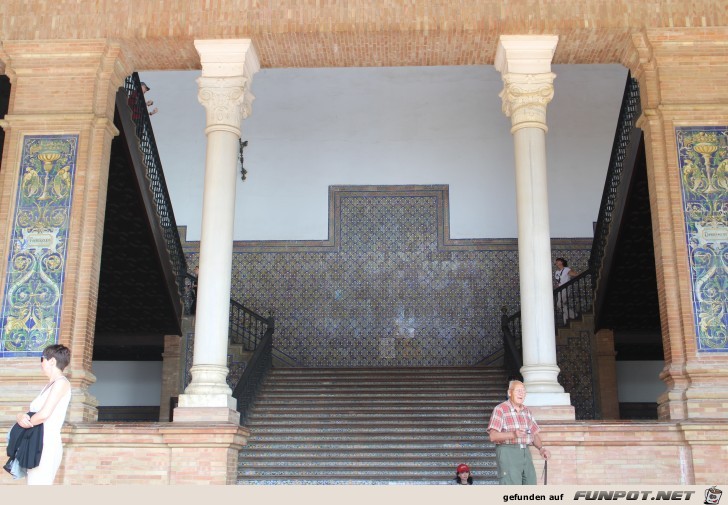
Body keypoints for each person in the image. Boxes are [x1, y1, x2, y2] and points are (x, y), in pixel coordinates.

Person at [15, 344, 72, 485]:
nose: (41, 363)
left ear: (52, 361)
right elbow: (34, 412)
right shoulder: (49, 385)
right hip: (36, 440)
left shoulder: (61, 383)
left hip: (46, 443)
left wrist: (22, 424)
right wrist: (20, 416)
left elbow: (44, 414)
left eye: (42, 359)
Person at [486, 380, 550, 485]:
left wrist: (541, 449)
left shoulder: (527, 411)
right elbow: (493, 436)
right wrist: (513, 434)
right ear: (509, 393)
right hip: (508, 452)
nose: (521, 393)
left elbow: (534, 434)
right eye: (518, 390)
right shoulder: (500, 409)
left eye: (523, 391)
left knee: (531, 484)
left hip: (526, 452)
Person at [553, 257, 578, 324]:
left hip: (565, 288)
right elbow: (559, 281)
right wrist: (557, 285)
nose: (556, 262)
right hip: (559, 289)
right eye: (556, 261)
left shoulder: (566, 269)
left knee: (559, 304)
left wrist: (572, 274)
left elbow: (575, 274)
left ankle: (574, 315)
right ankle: (566, 321)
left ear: (562, 262)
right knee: (561, 304)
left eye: (558, 261)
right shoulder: (557, 272)